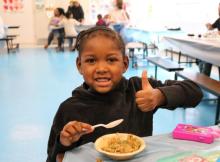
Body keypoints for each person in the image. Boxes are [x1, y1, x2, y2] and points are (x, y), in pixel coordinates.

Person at [46, 26, 203, 162]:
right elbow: (53, 156)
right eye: (91, 61)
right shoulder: (69, 109)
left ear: (125, 64)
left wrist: (159, 96)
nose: (101, 68)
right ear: (80, 65)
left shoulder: (139, 90)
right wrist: (64, 142)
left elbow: (195, 93)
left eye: (111, 60)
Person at [198, 3, 220, 79]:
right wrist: (209, 25)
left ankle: (204, 79)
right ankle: (204, 79)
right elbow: (211, 28)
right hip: (216, 47)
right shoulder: (219, 20)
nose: (218, 11)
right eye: (218, 9)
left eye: (219, 9)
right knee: (206, 55)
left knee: (208, 56)